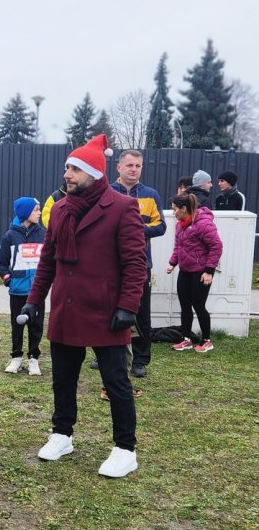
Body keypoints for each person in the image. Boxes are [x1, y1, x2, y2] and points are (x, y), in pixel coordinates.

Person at [23, 134, 147, 478]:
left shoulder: (122, 207)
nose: (67, 174)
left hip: (107, 312)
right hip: (67, 308)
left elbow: (136, 263)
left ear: (93, 172)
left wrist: (128, 306)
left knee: (116, 382)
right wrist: (35, 301)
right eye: (66, 167)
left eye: (74, 168)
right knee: (63, 379)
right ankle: (62, 434)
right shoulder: (61, 208)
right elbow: (48, 261)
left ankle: (125, 449)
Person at [109, 149, 166, 379]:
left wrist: (135, 230)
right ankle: (105, 352)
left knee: (141, 313)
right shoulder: (108, 192)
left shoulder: (151, 195)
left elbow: (161, 226)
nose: (134, 169)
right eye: (130, 165)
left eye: (138, 166)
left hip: (141, 263)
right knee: (109, 309)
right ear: (119, 167)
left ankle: (141, 360)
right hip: (111, 263)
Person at [166, 193, 223, 353]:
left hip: (201, 272)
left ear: (184, 209)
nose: (173, 213)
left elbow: (216, 247)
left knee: (199, 305)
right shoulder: (180, 224)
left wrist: (209, 271)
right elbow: (178, 246)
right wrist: (172, 263)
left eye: (175, 209)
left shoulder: (204, 224)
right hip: (185, 271)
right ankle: (186, 339)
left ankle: (206, 340)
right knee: (185, 306)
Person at [0, 197, 45, 375]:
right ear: (25, 213)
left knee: (36, 324)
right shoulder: (10, 236)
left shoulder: (43, 234)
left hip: (37, 292)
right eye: (36, 209)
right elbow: (1, 262)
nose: (39, 213)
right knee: (17, 325)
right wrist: (8, 279)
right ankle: (16, 357)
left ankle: (34, 358)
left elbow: (48, 261)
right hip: (17, 290)